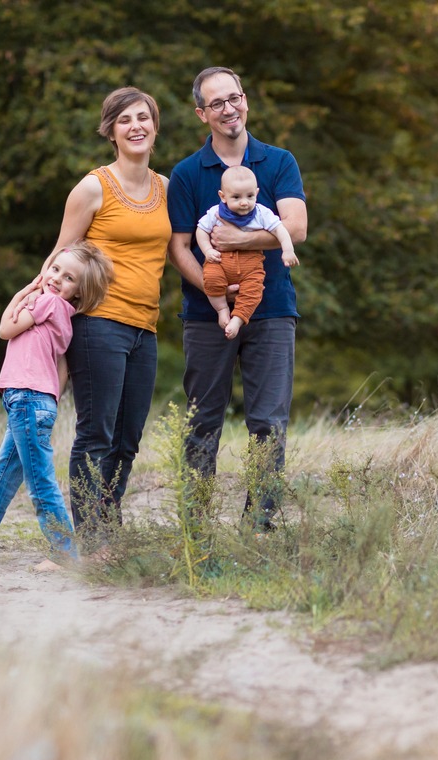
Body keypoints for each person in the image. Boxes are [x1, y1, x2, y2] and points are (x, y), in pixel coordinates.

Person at [168, 67, 307, 530]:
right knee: (202, 420)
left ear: (245, 100)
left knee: (268, 422)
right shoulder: (188, 173)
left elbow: (297, 228)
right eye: (217, 103)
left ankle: (260, 528)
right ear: (201, 113)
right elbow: (179, 246)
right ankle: (196, 527)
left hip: (270, 311)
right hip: (206, 316)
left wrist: (234, 241)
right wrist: (214, 290)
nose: (229, 109)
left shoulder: (279, 161)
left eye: (236, 98)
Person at [41, 86, 171, 538]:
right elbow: (59, 256)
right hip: (98, 324)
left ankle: (107, 530)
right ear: (111, 132)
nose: (136, 126)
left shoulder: (167, 189)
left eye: (143, 118)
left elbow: (185, 250)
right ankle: (93, 540)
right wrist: (37, 310)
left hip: (145, 328)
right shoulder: (93, 186)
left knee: (128, 439)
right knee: (96, 435)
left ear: (154, 127)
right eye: (125, 120)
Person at [0, 242, 114, 569]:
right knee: (2, 479)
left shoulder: (47, 302)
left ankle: (67, 554)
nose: (57, 278)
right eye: (55, 269)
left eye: (69, 278)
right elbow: (61, 366)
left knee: (40, 483)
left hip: (27, 400)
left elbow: (5, 328)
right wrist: (51, 400)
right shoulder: (65, 315)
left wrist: (26, 291)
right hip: (37, 402)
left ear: (78, 292)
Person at [196, 165, 299, 340]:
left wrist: (287, 249)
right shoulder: (216, 212)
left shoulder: (261, 213)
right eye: (236, 197)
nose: (244, 202)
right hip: (220, 260)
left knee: (254, 290)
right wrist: (207, 250)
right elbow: (201, 230)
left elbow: (280, 230)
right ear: (223, 196)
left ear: (256, 193)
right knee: (212, 278)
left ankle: (237, 319)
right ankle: (222, 310)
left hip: (251, 265)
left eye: (250, 196)